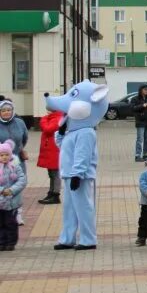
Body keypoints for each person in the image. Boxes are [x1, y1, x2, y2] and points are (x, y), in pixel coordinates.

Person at [48, 81, 109, 251]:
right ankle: (67, 238)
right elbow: (63, 146)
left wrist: (78, 174)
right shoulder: (73, 132)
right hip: (69, 174)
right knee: (69, 209)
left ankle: (88, 239)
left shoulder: (86, 132)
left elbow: (83, 156)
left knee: (83, 207)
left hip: (79, 176)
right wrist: (60, 132)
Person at [0, 97, 29, 226]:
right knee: (4, 186)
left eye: (9, 110)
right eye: (3, 110)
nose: (6, 112)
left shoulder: (19, 123)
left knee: (18, 185)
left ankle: (17, 213)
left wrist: (20, 149)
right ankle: (4, 213)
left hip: (17, 160)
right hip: (2, 161)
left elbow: (25, 137)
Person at [0, 140, 27, 251]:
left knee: (11, 222)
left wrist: (11, 190)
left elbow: (22, 180)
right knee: (1, 223)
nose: (4, 157)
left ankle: (11, 242)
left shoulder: (15, 167)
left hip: (12, 201)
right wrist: (2, 190)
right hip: (0, 200)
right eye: (1, 155)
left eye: (7, 155)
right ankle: (1, 242)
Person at [37, 105, 64, 205]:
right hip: (50, 151)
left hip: (54, 151)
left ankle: (55, 195)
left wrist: (44, 119)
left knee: (55, 174)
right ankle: (51, 192)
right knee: (51, 173)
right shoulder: (52, 118)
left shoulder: (56, 118)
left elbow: (48, 129)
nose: (47, 111)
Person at [132, 86, 147, 162]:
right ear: (141, 90)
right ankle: (137, 155)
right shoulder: (135, 99)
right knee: (140, 139)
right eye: (145, 89)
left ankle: (145, 154)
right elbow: (132, 108)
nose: (146, 91)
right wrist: (142, 106)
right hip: (140, 121)